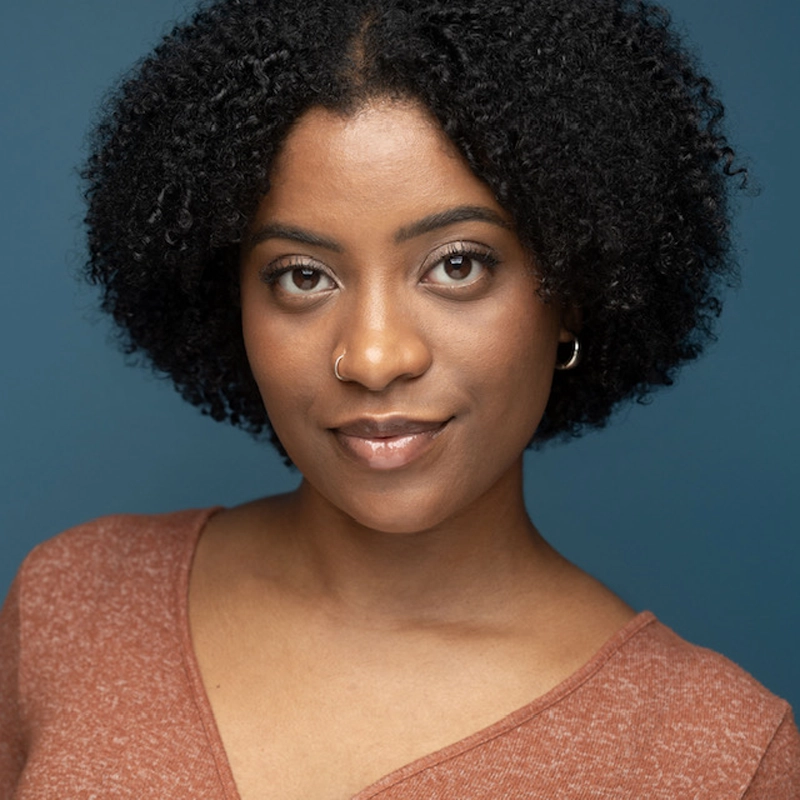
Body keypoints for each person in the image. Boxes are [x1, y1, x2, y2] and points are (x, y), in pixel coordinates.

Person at [1, 0, 798, 796]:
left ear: (573, 292)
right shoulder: (76, 600)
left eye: (457, 264)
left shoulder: (713, 755)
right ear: (230, 300)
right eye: (303, 275)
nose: (375, 357)